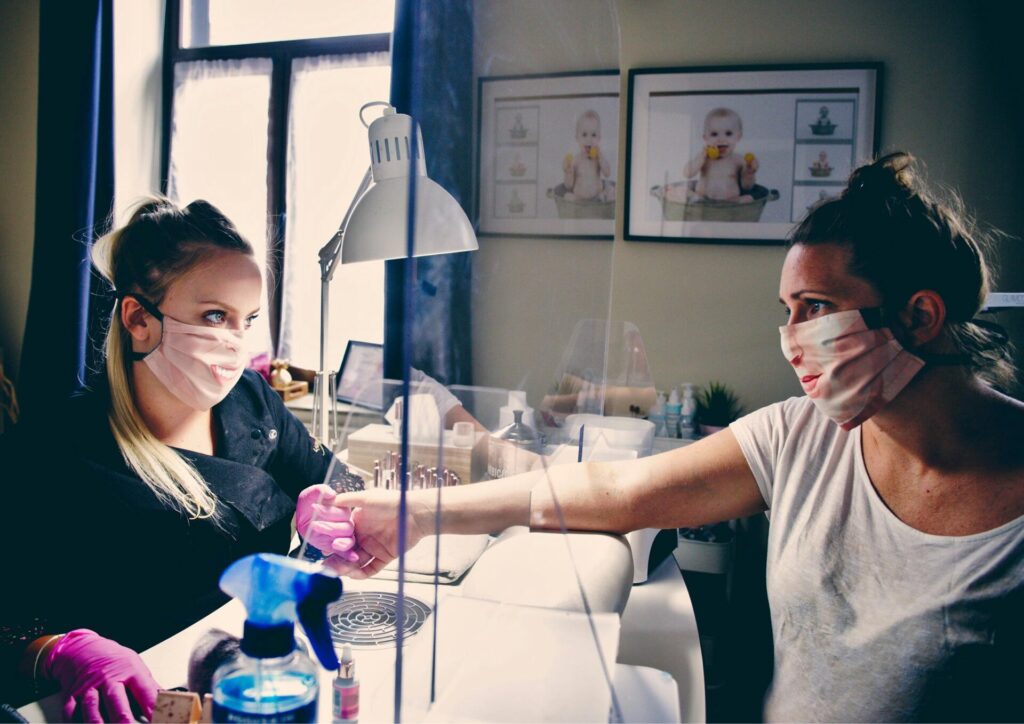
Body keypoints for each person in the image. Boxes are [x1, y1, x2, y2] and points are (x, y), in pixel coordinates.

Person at [321, 153, 1024, 721]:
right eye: (786, 311)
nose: (791, 341)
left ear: (921, 315)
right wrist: (414, 516)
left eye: (817, 309)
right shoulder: (800, 436)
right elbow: (614, 490)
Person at [0, 198, 371, 720]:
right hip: (141, 698)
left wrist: (329, 504)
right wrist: (58, 650)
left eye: (247, 321)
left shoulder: (250, 399)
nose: (233, 343)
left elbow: (339, 482)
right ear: (138, 319)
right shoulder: (55, 451)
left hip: (260, 670)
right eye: (214, 316)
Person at [681, 107, 758, 202]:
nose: (721, 139)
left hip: (730, 202)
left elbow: (746, 187)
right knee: (683, 191)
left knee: (748, 199)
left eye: (728, 133)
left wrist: (749, 173)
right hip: (703, 201)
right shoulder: (704, 158)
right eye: (714, 134)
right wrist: (700, 158)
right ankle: (697, 201)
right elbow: (686, 174)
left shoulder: (739, 160)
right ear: (705, 138)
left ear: (738, 137)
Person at [562, 109, 614, 202]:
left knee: (610, 190)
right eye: (584, 134)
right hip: (579, 199)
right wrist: (568, 172)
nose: (589, 139)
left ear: (599, 138)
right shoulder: (576, 160)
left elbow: (607, 173)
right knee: (567, 196)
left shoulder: (598, 159)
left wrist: (601, 158)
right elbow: (568, 186)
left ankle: (604, 197)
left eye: (593, 135)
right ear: (577, 138)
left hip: (597, 198)